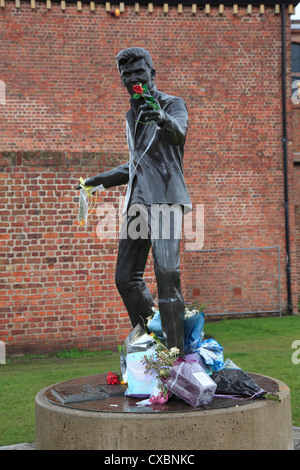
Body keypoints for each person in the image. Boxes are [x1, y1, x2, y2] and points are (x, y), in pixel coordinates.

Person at [78, 47, 191, 355]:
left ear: (151, 73)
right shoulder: (132, 115)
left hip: (166, 199)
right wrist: (97, 181)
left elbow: (179, 132)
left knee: (167, 275)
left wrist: (163, 118)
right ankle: (154, 342)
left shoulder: (172, 104)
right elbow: (136, 165)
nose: (132, 79)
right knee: (126, 278)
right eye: (125, 75)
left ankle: (176, 357)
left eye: (138, 72)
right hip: (138, 203)